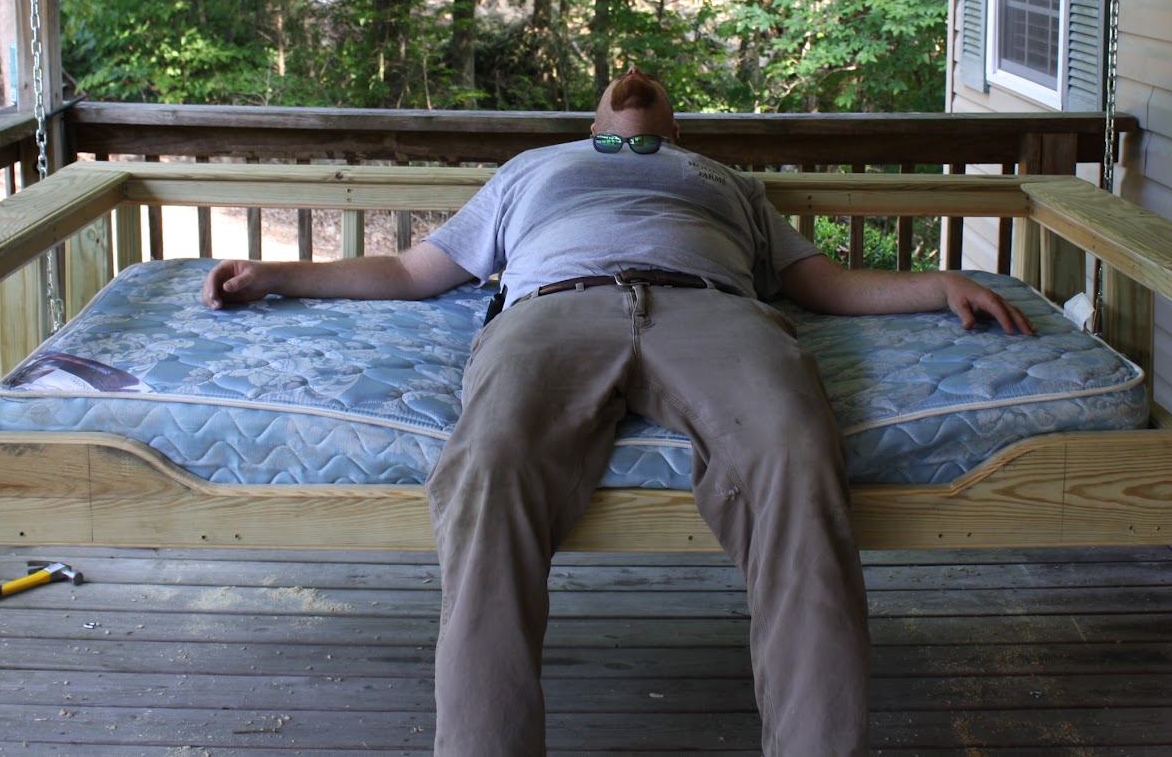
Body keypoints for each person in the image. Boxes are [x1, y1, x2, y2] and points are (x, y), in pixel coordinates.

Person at [202, 66, 1032, 757]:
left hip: (712, 313)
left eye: (652, 86)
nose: (633, 77)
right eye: (617, 82)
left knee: (796, 455)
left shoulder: (724, 181)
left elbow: (823, 285)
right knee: (487, 469)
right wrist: (277, 275)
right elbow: (416, 273)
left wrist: (936, 285)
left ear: (674, 129)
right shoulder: (533, 169)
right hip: (552, 314)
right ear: (594, 117)